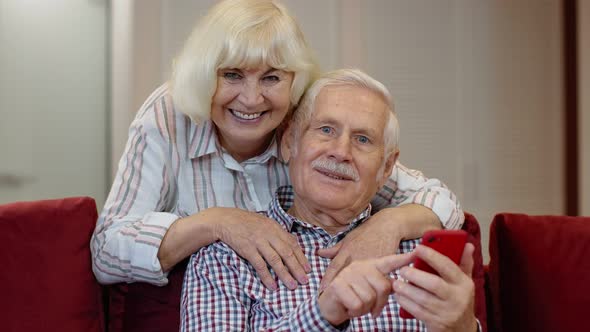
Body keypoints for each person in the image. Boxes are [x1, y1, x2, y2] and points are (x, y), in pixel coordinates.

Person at [91, 0, 464, 294]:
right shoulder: (168, 116)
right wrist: (218, 222)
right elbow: (107, 252)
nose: (251, 99)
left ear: (294, 81)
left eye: (271, 78)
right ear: (205, 75)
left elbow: (439, 201)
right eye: (232, 75)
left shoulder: (310, 128)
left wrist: (389, 223)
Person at [180, 69, 479, 331]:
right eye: (326, 130)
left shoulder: (420, 256)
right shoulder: (225, 257)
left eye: (363, 139)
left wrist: (462, 327)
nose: (341, 151)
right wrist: (322, 315)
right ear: (289, 143)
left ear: (387, 167)